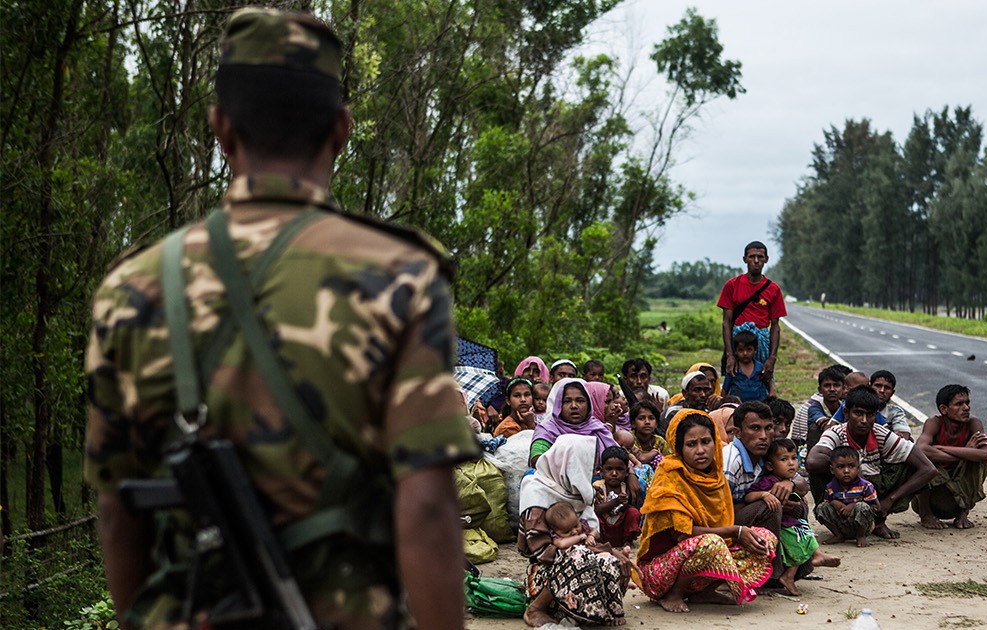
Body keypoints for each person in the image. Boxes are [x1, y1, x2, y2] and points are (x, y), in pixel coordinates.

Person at [83, 9, 474, 629]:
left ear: (221, 129)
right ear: (341, 129)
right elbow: (425, 506)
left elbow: (115, 508)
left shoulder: (131, 287)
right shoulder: (401, 275)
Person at [635, 410, 776, 613]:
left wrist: (739, 533)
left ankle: (705, 592)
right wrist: (735, 531)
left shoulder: (716, 476)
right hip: (659, 572)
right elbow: (684, 535)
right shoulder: (670, 476)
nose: (700, 450)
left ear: (715, 442)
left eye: (706, 442)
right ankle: (673, 594)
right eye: (691, 444)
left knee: (764, 539)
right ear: (679, 448)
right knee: (712, 542)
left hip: (699, 561)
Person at [517, 435, 628, 627]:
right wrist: (587, 547)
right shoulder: (535, 493)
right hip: (544, 574)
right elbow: (543, 553)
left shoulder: (577, 491)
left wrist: (600, 548)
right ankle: (537, 608)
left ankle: (598, 612)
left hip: (578, 560)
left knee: (609, 560)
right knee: (579, 554)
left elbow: (593, 529)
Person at [805, 385, 937, 541]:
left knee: (908, 464)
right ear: (846, 413)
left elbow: (929, 469)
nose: (864, 421)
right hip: (842, 493)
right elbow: (812, 461)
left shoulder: (881, 434)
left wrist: (890, 500)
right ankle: (837, 524)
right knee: (817, 471)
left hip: (873, 491)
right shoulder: (836, 433)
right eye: (858, 413)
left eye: (870, 415)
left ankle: (878, 521)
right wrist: (855, 473)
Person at [722, 401, 817, 590]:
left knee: (798, 503)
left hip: (745, 515)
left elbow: (802, 484)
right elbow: (719, 512)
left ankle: (796, 565)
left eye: (768, 428)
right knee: (769, 506)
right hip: (726, 524)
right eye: (755, 429)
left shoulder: (766, 451)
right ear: (738, 433)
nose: (763, 436)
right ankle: (771, 573)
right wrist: (768, 498)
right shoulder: (731, 462)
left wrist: (788, 484)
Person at [745, 438, 838, 595]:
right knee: (798, 540)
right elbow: (748, 496)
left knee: (805, 530)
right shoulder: (769, 482)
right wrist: (764, 495)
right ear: (769, 465)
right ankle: (789, 575)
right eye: (784, 459)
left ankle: (815, 555)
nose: (791, 463)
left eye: (794, 458)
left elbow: (803, 487)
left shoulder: (789, 481)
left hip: (790, 522)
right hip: (779, 525)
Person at [914, 384, 987, 530]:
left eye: (967, 403)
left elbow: (986, 454)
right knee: (921, 462)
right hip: (934, 494)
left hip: (959, 494)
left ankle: (963, 513)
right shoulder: (934, 422)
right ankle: (926, 515)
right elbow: (921, 449)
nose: (966, 408)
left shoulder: (974, 424)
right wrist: (965, 453)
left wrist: (942, 448)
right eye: (959, 404)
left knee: (979, 460)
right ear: (944, 409)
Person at [719, 241, 786, 388]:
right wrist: (730, 355)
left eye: (760, 257)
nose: (756, 261)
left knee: (762, 382)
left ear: (766, 259)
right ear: (745, 259)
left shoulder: (773, 289)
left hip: (761, 345)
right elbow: (726, 323)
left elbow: (775, 327)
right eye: (752, 257)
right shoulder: (732, 285)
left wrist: (772, 358)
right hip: (738, 344)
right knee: (735, 381)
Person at [529, 378, 618, 467]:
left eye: (580, 401)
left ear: (589, 405)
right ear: (559, 405)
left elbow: (618, 462)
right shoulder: (547, 430)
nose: (574, 406)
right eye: (567, 401)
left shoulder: (599, 429)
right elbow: (537, 460)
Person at [814, 446, 880, 548]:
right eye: (840, 467)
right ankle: (838, 535)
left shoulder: (865, 486)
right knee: (821, 508)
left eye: (851, 466)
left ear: (858, 468)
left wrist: (853, 506)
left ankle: (860, 536)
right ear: (832, 470)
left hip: (862, 526)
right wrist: (833, 502)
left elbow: (876, 507)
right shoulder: (830, 487)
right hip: (841, 524)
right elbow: (826, 503)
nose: (846, 471)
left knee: (862, 507)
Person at [593, 446, 643, 548]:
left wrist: (625, 505)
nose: (614, 474)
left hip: (619, 528)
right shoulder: (598, 486)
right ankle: (598, 541)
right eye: (609, 469)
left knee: (633, 512)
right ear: (601, 471)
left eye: (619, 469)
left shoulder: (625, 487)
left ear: (626, 471)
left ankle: (627, 541)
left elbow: (628, 509)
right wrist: (616, 501)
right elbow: (597, 510)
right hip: (603, 528)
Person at [803, 365, 850, 448]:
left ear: (843, 388)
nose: (832, 389)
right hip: (819, 447)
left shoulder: (845, 406)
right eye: (827, 385)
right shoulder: (815, 407)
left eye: (836, 385)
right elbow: (825, 425)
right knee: (815, 428)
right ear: (820, 390)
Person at [723, 330, 772, 402]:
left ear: (755, 349)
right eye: (741, 350)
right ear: (735, 351)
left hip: (758, 405)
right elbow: (725, 389)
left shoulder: (760, 367)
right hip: (738, 407)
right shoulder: (733, 369)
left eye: (749, 350)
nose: (745, 353)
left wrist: (772, 394)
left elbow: (769, 381)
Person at [870, 370, 913, 439]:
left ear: (892, 393)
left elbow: (904, 438)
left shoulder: (895, 412)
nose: (882, 391)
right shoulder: (858, 406)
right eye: (878, 386)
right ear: (870, 387)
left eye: (887, 388)